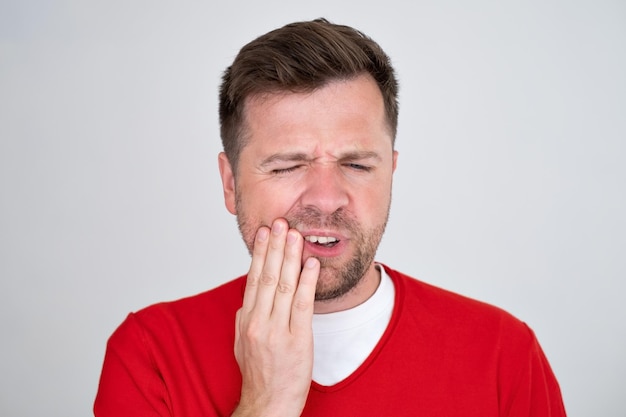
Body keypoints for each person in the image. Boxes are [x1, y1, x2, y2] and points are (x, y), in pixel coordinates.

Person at [94, 18, 566, 416]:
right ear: (231, 184)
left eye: (357, 165)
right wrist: (265, 402)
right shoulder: (150, 352)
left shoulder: (504, 353)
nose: (327, 197)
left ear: (391, 175)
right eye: (287, 166)